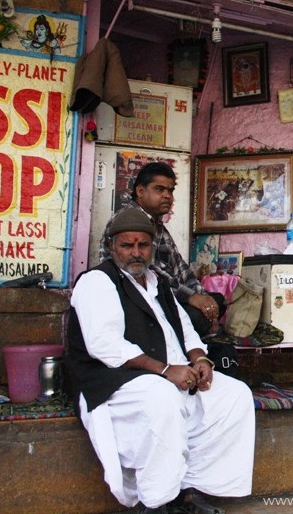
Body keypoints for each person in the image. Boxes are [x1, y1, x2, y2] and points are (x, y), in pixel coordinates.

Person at [67, 207, 254, 513]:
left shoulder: (158, 283)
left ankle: (190, 490)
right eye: (127, 246)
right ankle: (156, 502)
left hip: (171, 375)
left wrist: (200, 360)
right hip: (115, 382)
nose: (136, 253)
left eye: (143, 245)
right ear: (113, 247)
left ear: (153, 247)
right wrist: (166, 370)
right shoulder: (97, 281)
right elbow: (106, 346)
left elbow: (185, 329)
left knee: (234, 396)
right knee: (162, 397)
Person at [100, 161, 222, 338]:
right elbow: (151, 277)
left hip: (168, 298)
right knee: (196, 316)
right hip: (142, 305)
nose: (167, 196)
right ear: (140, 191)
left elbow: (180, 268)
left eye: (170, 191)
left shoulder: (157, 225)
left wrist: (205, 300)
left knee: (217, 300)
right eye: (159, 189)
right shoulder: (127, 222)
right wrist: (191, 298)